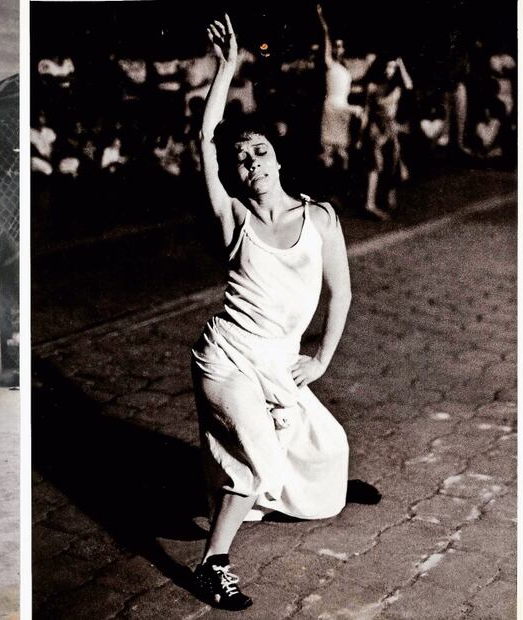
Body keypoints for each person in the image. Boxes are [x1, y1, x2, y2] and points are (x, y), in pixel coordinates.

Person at [191, 15, 354, 610]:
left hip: (281, 363)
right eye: (241, 159)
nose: (251, 162)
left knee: (329, 445)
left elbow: (342, 294)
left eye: (259, 151)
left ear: (278, 158)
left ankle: (278, 491)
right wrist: (227, 69)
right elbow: (205, 140)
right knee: (257, 461)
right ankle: (213, 563)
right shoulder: (233, 218)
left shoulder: (320, 218)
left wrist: (322, 359)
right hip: (227, 359)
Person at [359, 55, 413, 220]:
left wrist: (400, 64)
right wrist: (360, 136)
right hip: (376, 127)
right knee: (375, 165)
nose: (389, 71)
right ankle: (369, 204)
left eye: (392, 68)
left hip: (391, 128)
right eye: (388, 67)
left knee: (392, 163)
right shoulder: (373, 86)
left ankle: (386, 195)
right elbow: (367, 111)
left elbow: (409, 85)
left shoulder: (396, 87)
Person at [315, 4, 363, 172]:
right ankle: (326, 176)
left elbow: (346, 88)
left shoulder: (346, 69)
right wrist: (322, 20)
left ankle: (345, 177)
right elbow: (326, 37)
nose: (338, 48)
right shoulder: (330, 64)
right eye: (336, 46)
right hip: (332, 106)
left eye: (340, 46)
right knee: (329, 149)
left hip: (342, 106)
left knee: (342, 151)